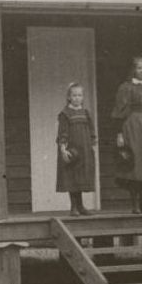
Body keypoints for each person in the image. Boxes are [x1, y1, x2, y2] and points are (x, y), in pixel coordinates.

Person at [112, 55, 142, 214]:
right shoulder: (126, 87)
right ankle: (134, 204)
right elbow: (119, 111)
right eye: (139, 68)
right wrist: (119, 133)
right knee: (134, 164)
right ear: (134, 69)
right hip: (131, 124)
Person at [56, 82, 97, 216]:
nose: (77, 98)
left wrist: (92, 141)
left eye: (80, 95)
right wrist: (63, 149)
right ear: (69, 97)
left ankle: (81, 206)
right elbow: (62, 132)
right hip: (72, 150)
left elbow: (91, 129)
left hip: (84, 149)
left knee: (81, 177)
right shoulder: (65, 113)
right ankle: (73, 207)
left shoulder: (85, 112)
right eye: (74, 95)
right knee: (72, 177)